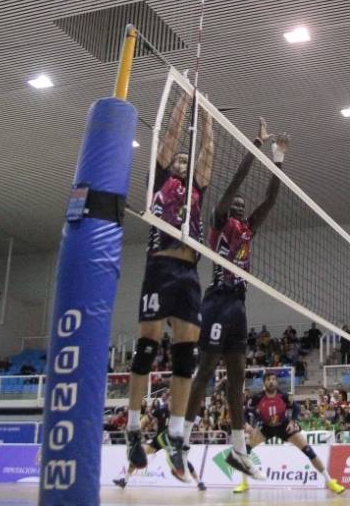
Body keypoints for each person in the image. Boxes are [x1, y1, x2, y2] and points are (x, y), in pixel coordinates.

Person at [183, 117, 287, 480]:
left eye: (244, 206)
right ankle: (180, 441)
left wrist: (278, 159)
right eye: (237, 205)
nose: (241, 207)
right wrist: (255, 147)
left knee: (238, 379)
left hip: (239, 306)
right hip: (216, 301)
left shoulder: (246, 230)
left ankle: (240, 451)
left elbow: (271, 199)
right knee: (206, 370)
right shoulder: (219, 222)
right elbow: (232, 188)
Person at [125, 89, 214, 482]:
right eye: (179, 159)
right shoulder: (160, 178)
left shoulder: (197, 188)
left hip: (189, 274)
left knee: (185, 357)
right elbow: (170, 137)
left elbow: (207, 156)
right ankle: (131, 425)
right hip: (160, 267)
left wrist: (208, 116)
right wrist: (183, 97)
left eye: (185, 160)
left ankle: (176, 433)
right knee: (146, 346)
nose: (182, 160)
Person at [231, 373, 345, 495]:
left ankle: (330, 481)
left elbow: (296, 408)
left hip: (284, 427)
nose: (271, 382)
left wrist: (293, 421)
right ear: (264, 383)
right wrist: (247, 424)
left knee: (308, 450)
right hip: (266, 428)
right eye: (268, 379)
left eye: (274, 379)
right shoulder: (257, 398)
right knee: (245, 449)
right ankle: (244, 483)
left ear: (277, 382)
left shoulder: (283, 396)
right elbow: (243, 411)